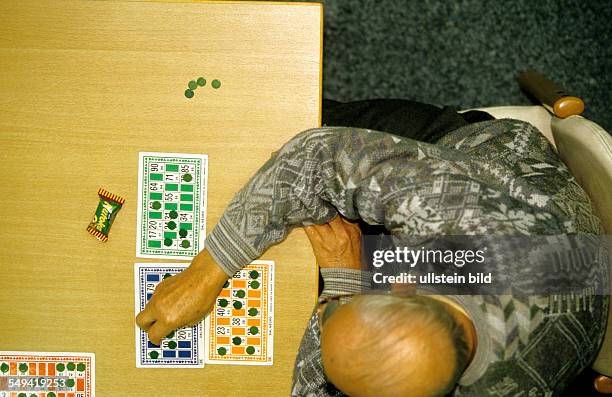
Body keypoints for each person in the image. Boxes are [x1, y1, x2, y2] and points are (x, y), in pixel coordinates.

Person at [136, 100, 608, 396]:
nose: (328, 312)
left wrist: (344, 281)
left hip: (564, 271)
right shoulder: (457, 224)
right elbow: (314, 155)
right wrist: (206, 272)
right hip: (499, 177)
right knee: (290, 112)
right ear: (403, 281)